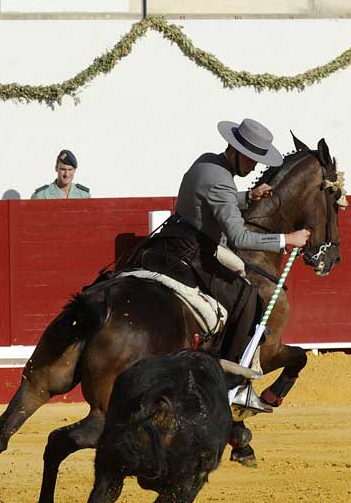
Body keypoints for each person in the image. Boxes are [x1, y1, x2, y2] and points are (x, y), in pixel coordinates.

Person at [129, 118, 310, 410]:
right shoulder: (223, 181)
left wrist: (247, 196)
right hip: (195, 252)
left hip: (170, 238)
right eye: (252, 159)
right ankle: (232, 385)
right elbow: (239, 236)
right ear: (237, 151)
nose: (253, 167)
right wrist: (286, 238)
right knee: (247, 297)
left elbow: (211, 197)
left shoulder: (207, 162)